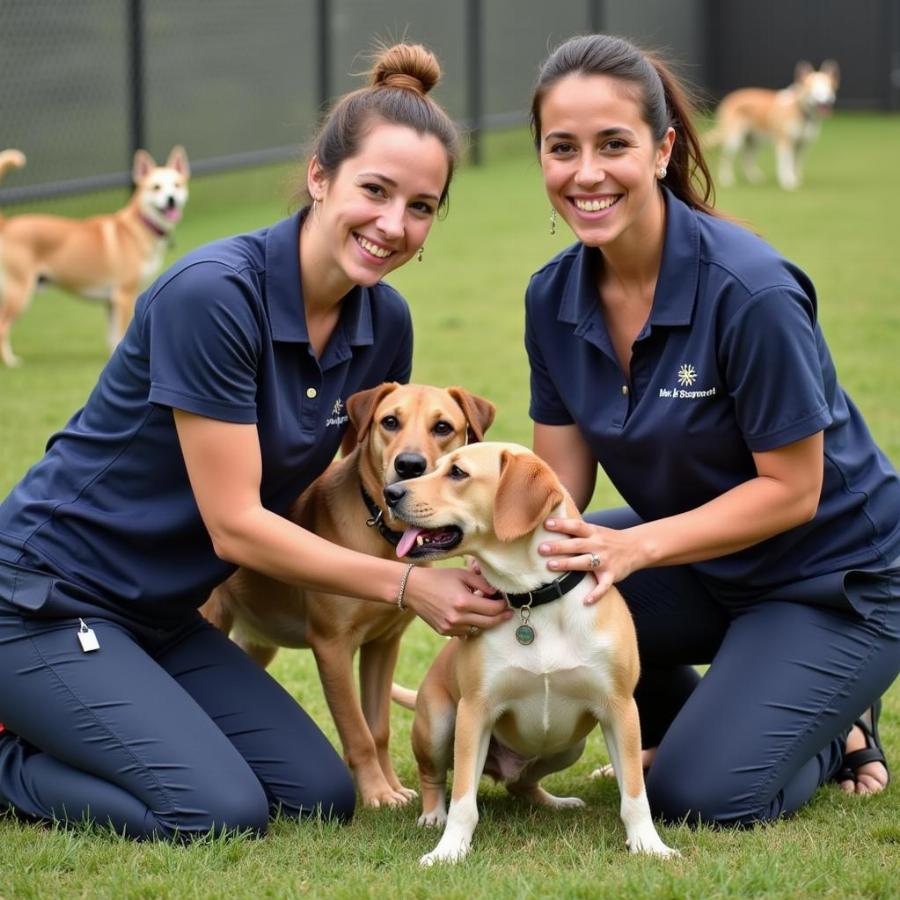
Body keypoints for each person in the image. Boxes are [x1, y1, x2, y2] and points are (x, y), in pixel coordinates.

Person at [0, 42, 508, 841]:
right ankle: (11, 757)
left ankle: (88, 712)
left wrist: (464, 534)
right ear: (319, 176)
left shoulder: (385, 324)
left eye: (420, 206)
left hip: (164, 615)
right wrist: (408, 589)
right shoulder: (214, 296)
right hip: (47, 597)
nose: (392, 225)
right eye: (374, 191)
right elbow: (235, 525)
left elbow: (365, 489)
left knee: (315, 793)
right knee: (214, 808)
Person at [524, 33, 899, 827]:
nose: (585, 173)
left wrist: (633, 547)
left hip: (836, 580)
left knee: (698, 795)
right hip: (706, 559)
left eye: (612, 145)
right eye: (563, 149)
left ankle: (835, 731)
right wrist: (491, 556)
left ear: (661, 149)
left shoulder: (749, 289)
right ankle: (731, 712)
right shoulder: (550, 298)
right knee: (547, 578)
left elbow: (793, 492)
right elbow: (561, 493)